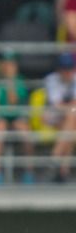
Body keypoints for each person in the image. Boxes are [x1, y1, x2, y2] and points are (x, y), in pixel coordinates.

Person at [0, 51, 34, 185]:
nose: (9, 66)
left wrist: (10, 83)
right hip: (2, 117)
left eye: (11, 63)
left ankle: (29, 172)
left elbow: (14, 100)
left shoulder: (20, 82)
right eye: (6, 63)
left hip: (17, 117)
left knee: (26, 134)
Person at [43, 53, 76, 182]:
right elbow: (56, 105)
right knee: (72, 123)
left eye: (69, 69)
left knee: (71, 124)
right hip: (52, 116)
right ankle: (63, 169)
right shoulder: (51, 79)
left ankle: (56, 161)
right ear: (59, 69)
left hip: (69, 117)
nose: (67, 72)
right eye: (64, 69)